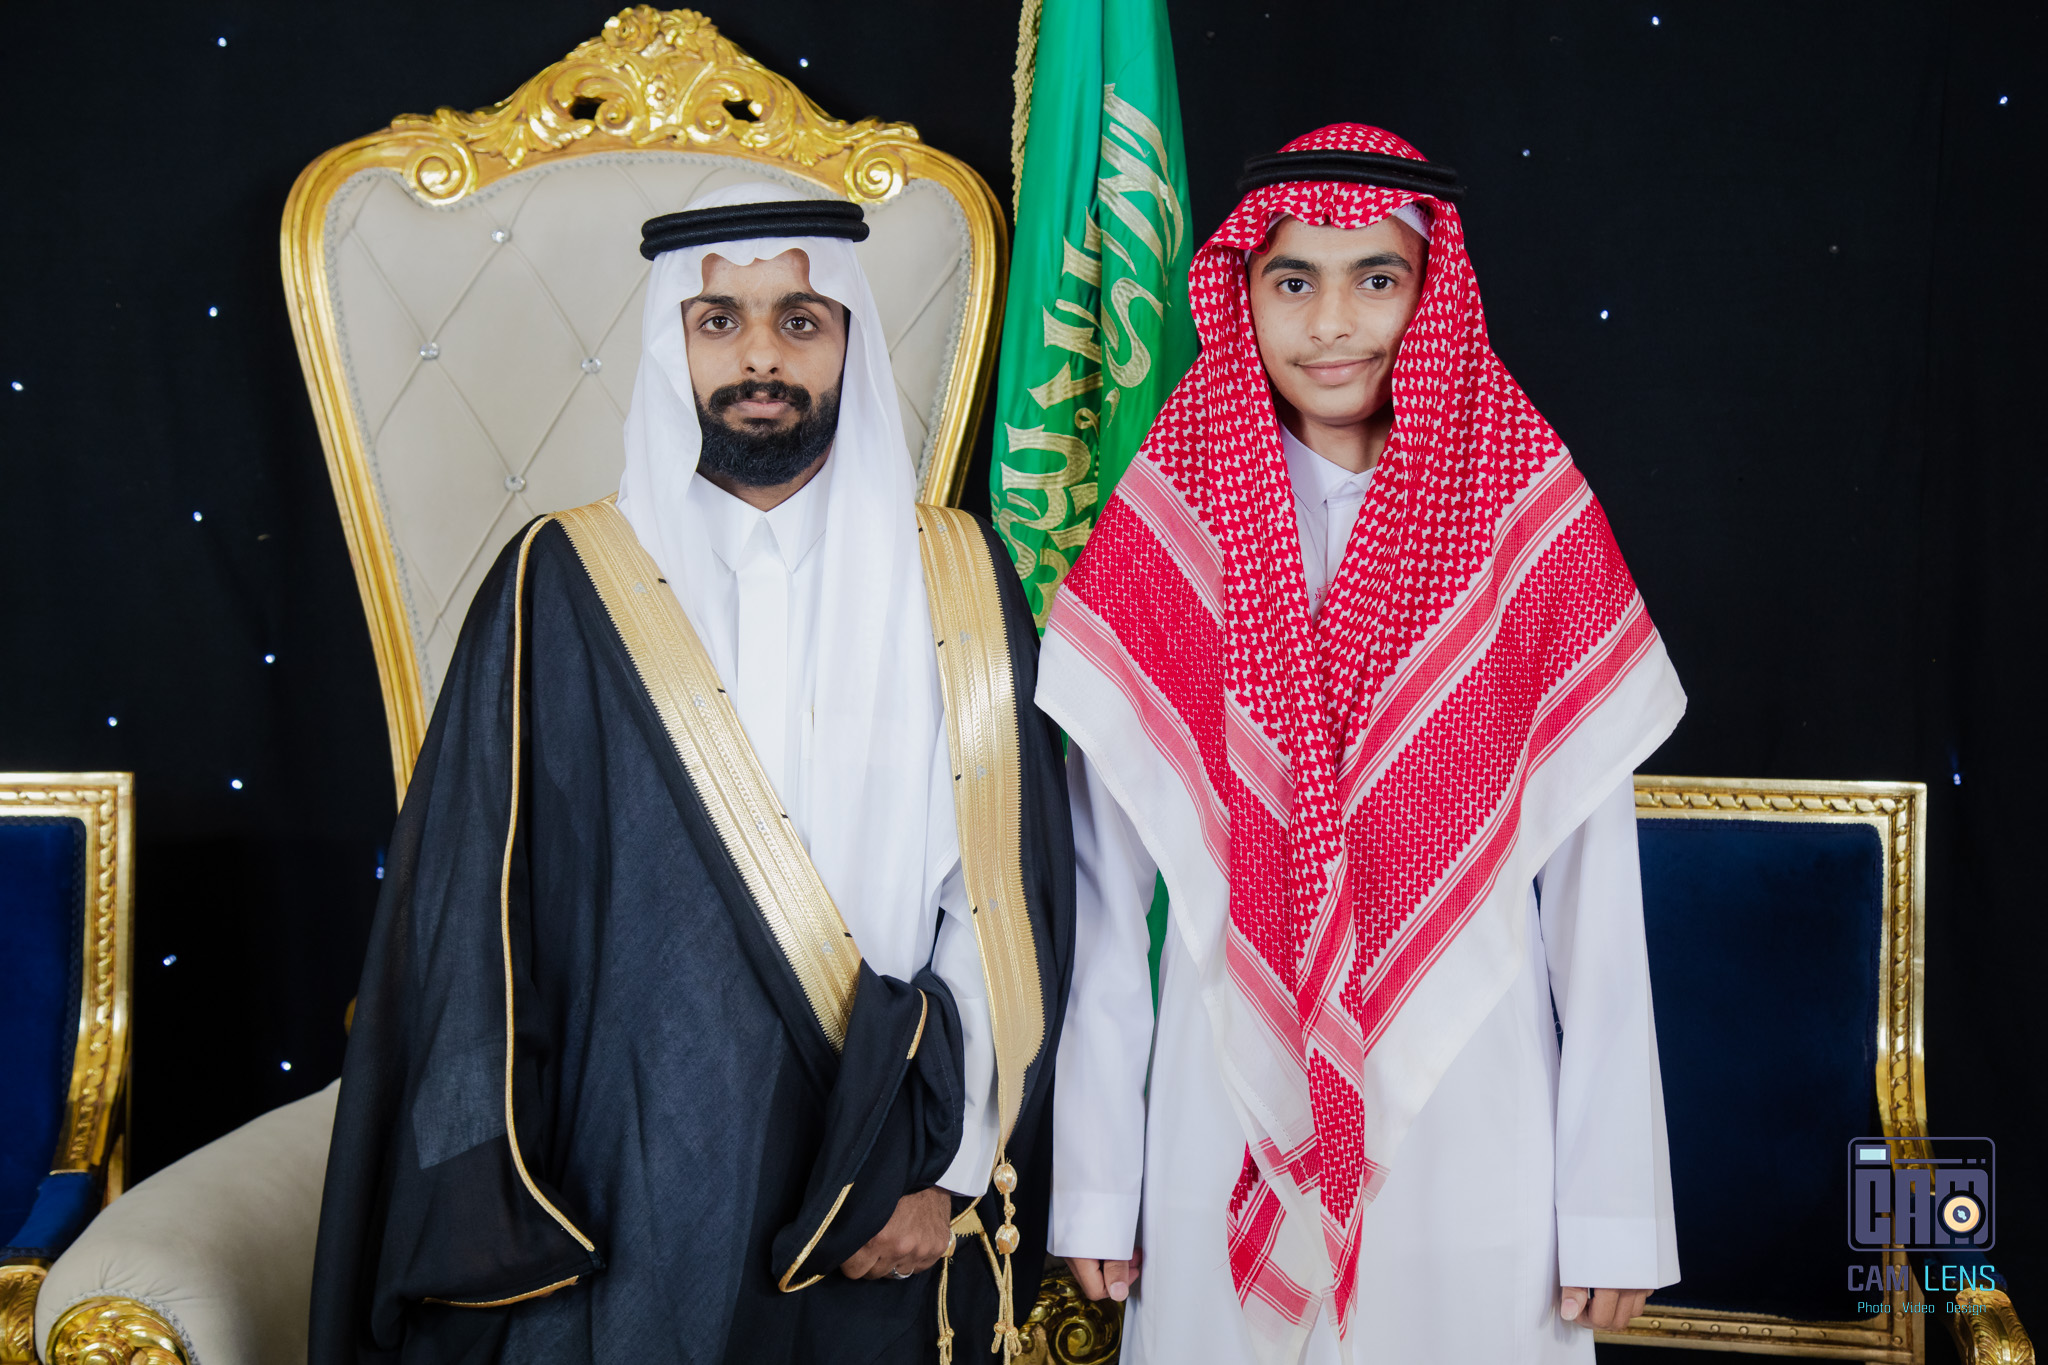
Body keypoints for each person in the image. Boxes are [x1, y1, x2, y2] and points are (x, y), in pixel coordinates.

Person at [311, 183, 1073, 1365]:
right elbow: (470, 928)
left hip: (870, 1178)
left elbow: (997, 907)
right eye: (719, 320)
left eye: (798, 321)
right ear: (674, 341)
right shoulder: (559, 581)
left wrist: (946, 1171)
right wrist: (513, 1206)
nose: (759, 355)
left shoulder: (958, 579)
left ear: (849, 340)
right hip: (613, 1181)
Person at [1038, 125, 1685, 1364]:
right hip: (1222, 1093)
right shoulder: (1169, 525)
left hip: (1469, 1098)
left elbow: (1593, 901)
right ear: (1243, 292)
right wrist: (1097, 1184)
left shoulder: (1521, 513)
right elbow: (1107, 898)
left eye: (1375, 279)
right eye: (1292, 280)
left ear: (1431, 292)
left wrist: (1611, 1207)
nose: (1331, 323)